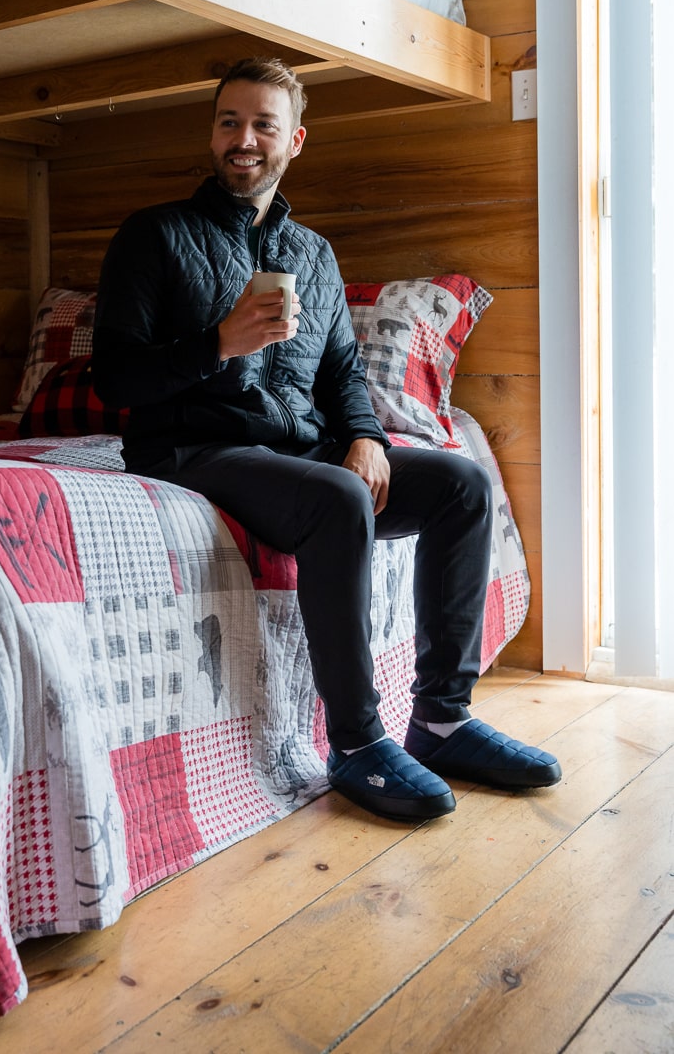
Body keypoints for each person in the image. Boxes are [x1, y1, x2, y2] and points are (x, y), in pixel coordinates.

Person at [92, 57, 560, 822]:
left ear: (294, 140)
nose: (244, 139)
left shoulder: (311, 253)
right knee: (338, 496)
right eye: (229, 122)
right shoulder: (154, 235)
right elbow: (115, 377)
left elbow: (341, 371)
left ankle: (441, 722)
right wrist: (218, 344)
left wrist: (367, 436)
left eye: (262, 125)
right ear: (212, 134)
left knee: (463, 483)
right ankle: (356, 742)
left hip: (296, 452)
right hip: (190, 448)